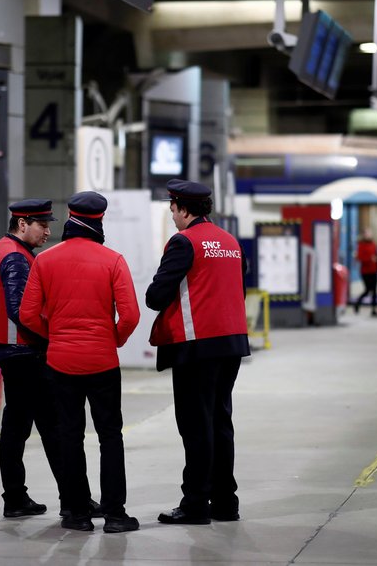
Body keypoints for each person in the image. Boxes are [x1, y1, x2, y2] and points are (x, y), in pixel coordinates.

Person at [19, 192, 142, 534]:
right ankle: (116, 515)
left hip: (60, 362)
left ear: (70, 217)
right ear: (99, 222)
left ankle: (76, 513)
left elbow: (27, 315)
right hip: (102, 360)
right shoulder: (113, 260)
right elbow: (130, 315)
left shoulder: (45, 260)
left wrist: (55, 333)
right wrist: (113, 337)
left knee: (70, 436)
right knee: (110, 436)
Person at [0, 199, 97, 520]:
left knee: (17, 427)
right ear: (22, 224)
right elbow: (21, 313)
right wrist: (54, 335)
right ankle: (74, 500)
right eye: (42, 225)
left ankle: (16, 497)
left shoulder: (4, 250)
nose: (48, 231)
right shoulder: (17, 258)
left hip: (9, 351)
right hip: (23, 353)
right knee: (54, 427)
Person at [146, 179, 250, 525]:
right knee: (220, 420)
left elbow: (155, 296)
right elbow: (239, 288)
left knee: (195, 426)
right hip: (231, 342)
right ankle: (225, 502)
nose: (172, 216)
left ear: (184, 208)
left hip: (195, 345)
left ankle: (194, 504)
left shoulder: (183, 242)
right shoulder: (230, 243)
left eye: (173, 209)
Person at [354, 228, 377, 317]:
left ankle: (374, 310)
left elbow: (376, 254)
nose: (369, 235)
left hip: (374, 270)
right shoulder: (361, 245)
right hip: (365, 272)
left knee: (374, 291)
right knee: (367, 290)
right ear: (364, 235)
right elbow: (359, 258)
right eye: (367, 233)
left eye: (370, 233)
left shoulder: (374, 244)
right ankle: (357, 303)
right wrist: (370, 259)